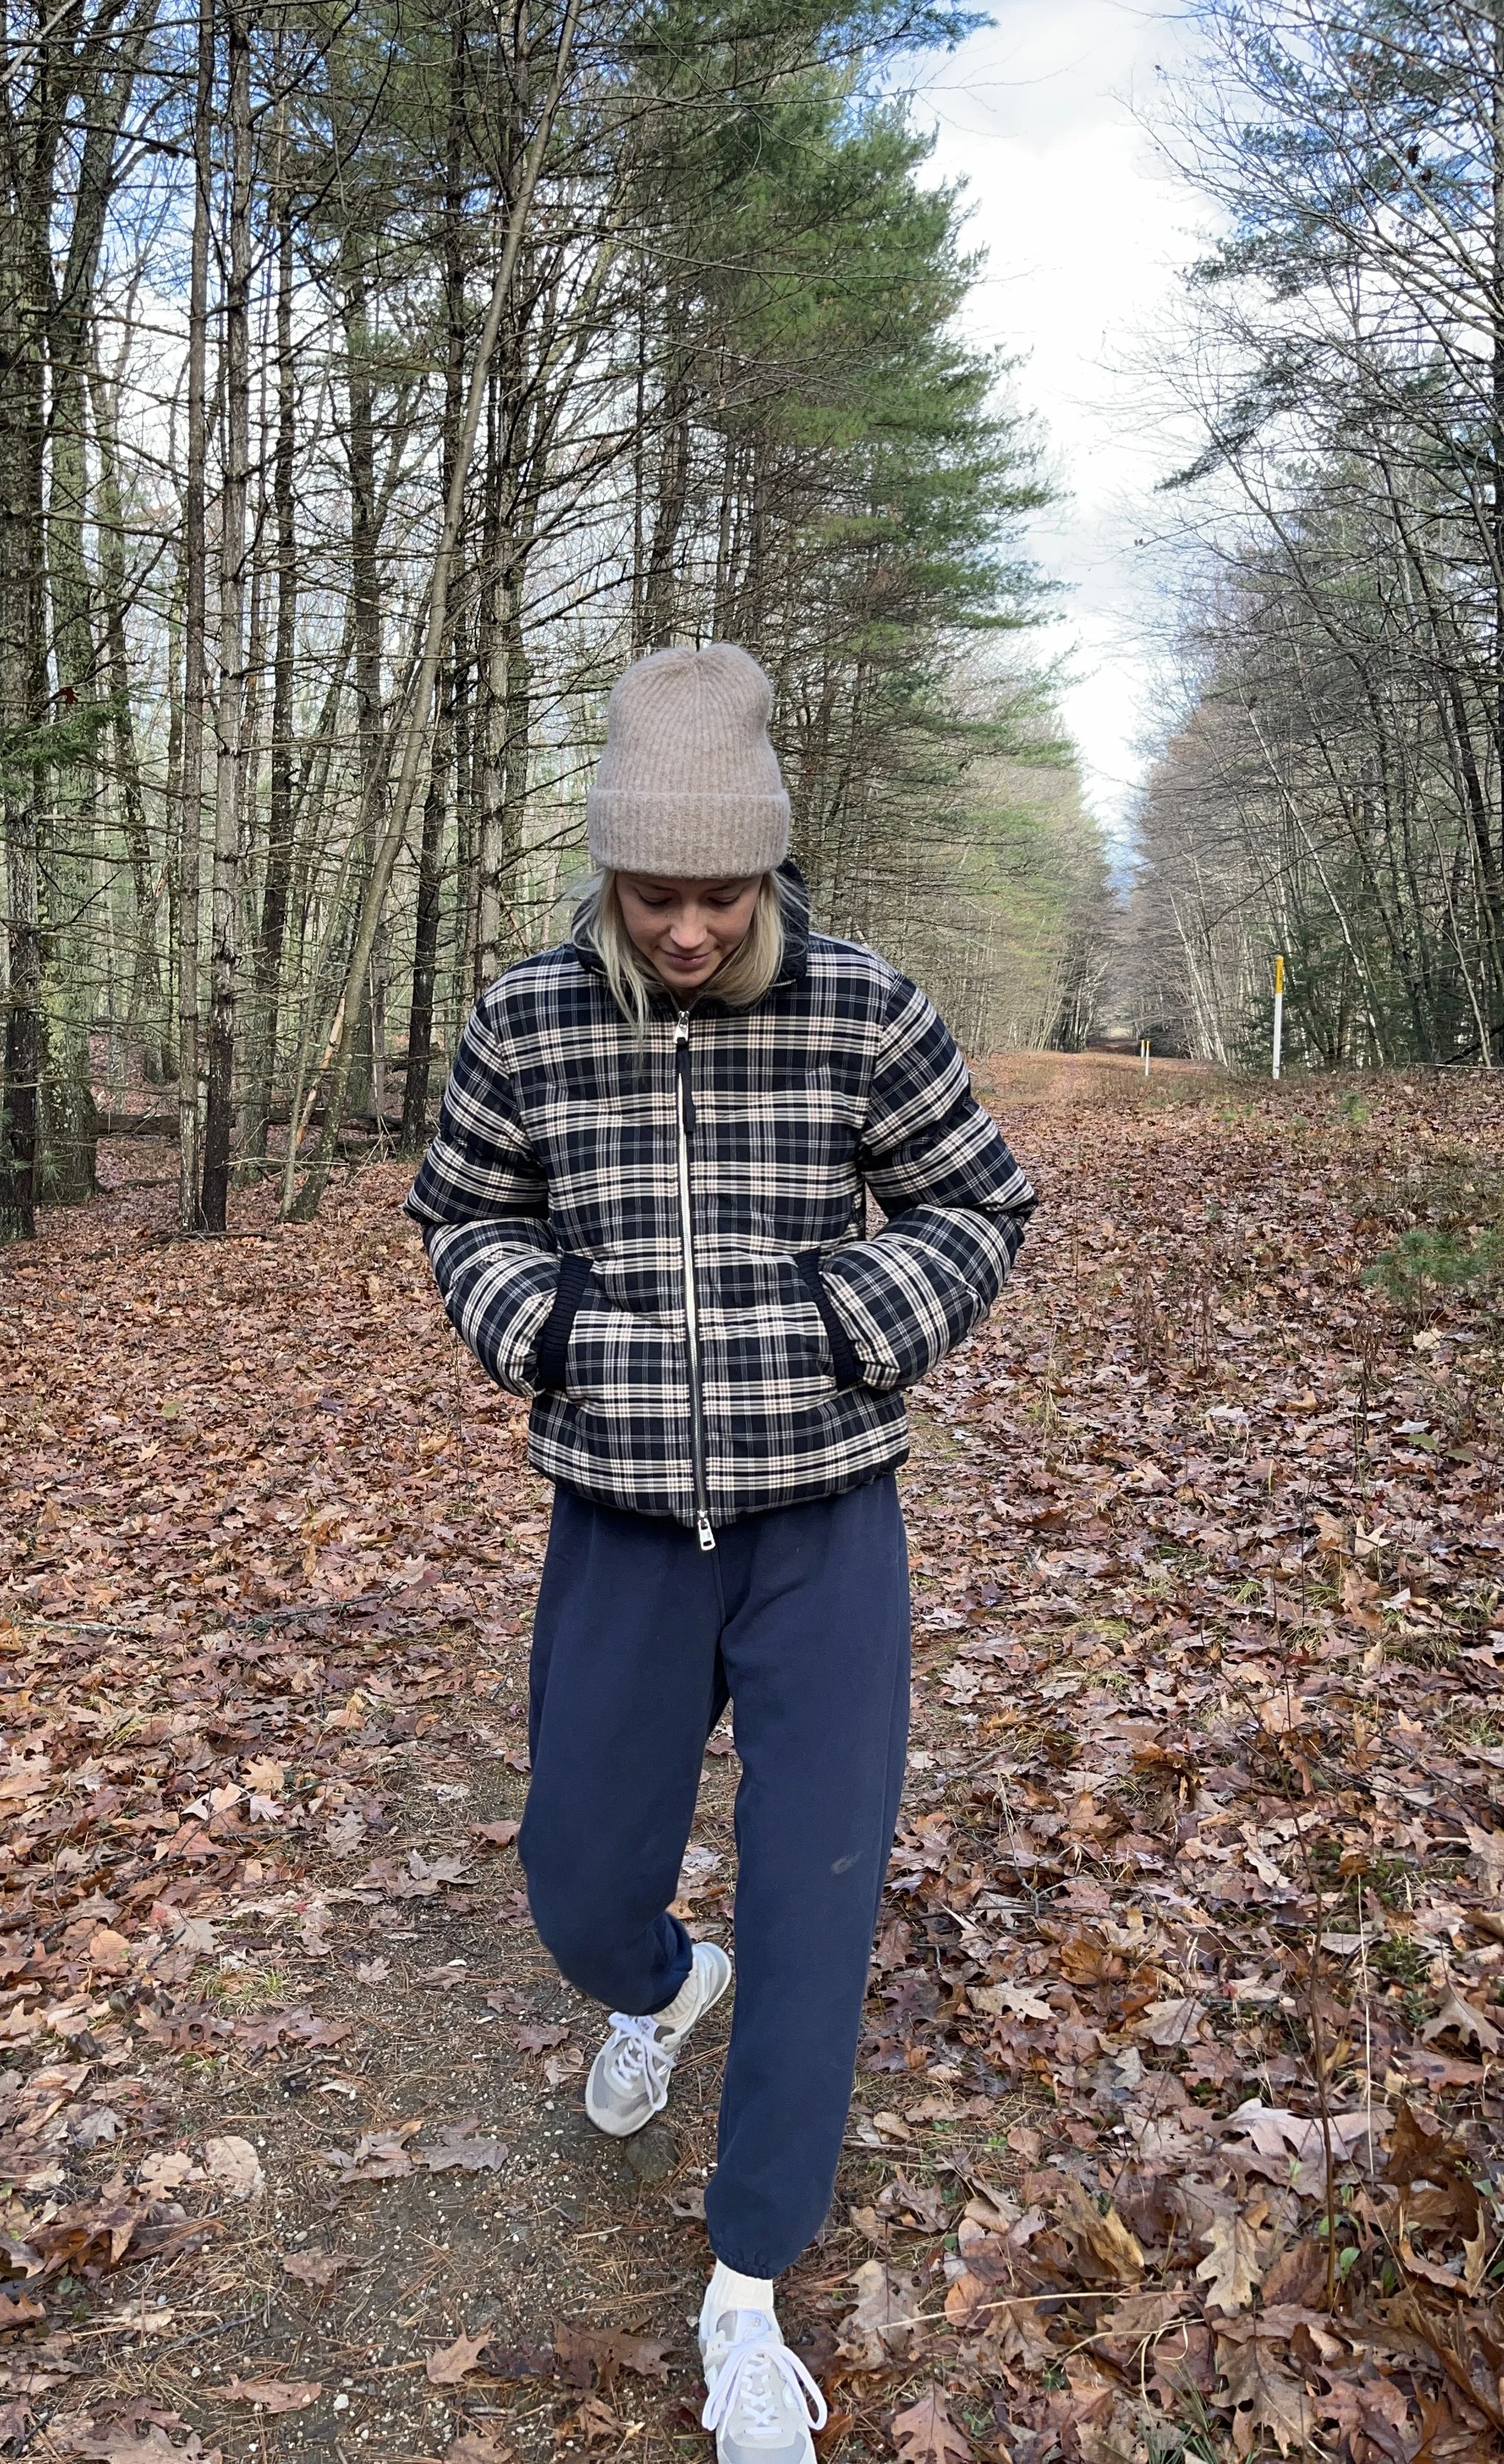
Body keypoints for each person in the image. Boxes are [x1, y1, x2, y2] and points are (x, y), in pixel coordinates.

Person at [406, 642, 1035, 2463]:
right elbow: (460, 1204)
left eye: (720, 892)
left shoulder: (859, 1010)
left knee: (816, 1895)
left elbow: (976, 1194)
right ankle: (662, 1984)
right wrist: (549, 1331)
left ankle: (744, 2286)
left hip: (823, 1519)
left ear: (767, 868)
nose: (687, 929)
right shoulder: (527, 1019)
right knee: (574, 1874)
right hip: (615, 1517)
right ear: (608, 870)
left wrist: (856, 1317)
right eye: (654, 892)